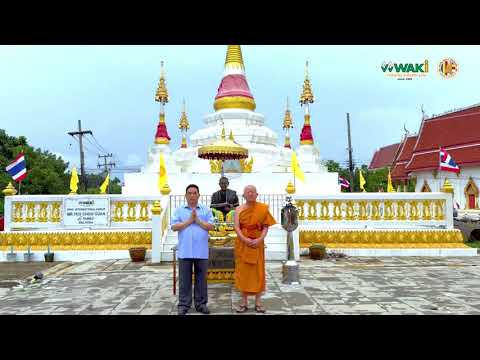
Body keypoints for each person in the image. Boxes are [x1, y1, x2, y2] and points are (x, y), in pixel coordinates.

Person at [171, 184, 215, 315]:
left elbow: (211, 226)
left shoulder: (206, 210)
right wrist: (189, 221)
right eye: (189, 193)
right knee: (184, 280)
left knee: (201, 280)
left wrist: (198, 221)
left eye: (194, 193)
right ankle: (184, 304)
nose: (192, 195)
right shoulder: (179, 210)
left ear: (198, 195)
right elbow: (174, 227)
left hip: (201, 251)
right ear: (185, 195)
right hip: (185, 251)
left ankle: (201, 304)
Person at [233, 185, 276, 313]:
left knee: (258, 272)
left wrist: (260, 239)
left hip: (258, 243)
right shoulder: (239, 209)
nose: (250, 194)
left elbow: (265, 226)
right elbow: (237, 227)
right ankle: (244, 302)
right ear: (244, 195)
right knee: (243, 272)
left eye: (253, 192)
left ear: (257, 194)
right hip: (243, 243)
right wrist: (244, 239)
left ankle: (258, 302)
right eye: (248, 192)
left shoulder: (262, 208)